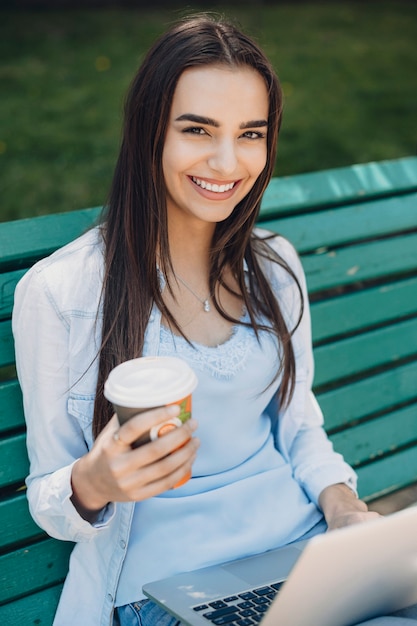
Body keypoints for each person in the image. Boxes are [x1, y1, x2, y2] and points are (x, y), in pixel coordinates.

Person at [12, 13, 417, 626]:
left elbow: (299, 424)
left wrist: (344, 509)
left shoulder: (273, 267)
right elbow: (50, 494)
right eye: (198, 129)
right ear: (150, 132)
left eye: (250, 134)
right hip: (171, 594)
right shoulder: (65, 292)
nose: (228, 162)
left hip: (306, 557)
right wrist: (93, 481)